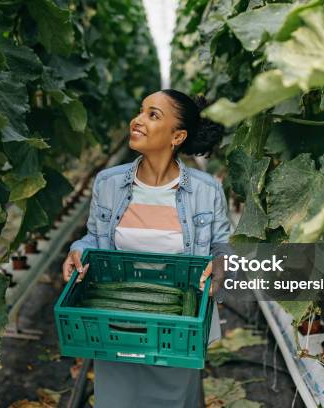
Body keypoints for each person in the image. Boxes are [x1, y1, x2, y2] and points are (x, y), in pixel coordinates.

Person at [61, 89, 233, 408]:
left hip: (178, 330)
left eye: (153, 115)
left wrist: (222, 264)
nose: (137, 120)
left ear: (177, 136)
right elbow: (93, 238)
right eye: (141, 111)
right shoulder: (108, 183)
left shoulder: (206, 190)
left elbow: (222, 246)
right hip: (115, 326)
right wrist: (77, 250)